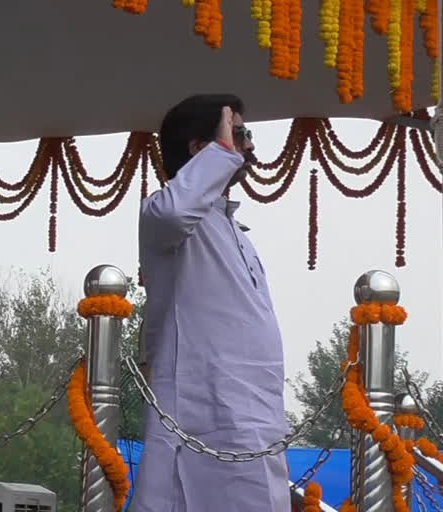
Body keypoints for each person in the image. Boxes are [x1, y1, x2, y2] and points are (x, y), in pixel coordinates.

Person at [131, 94, 290, 511]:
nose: (248, 147)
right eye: (238, 135)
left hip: (255, 418)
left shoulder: (234, 231)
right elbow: (173, 213)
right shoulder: (165, 218)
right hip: (204, 418)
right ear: (201, 150)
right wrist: (222, 154)